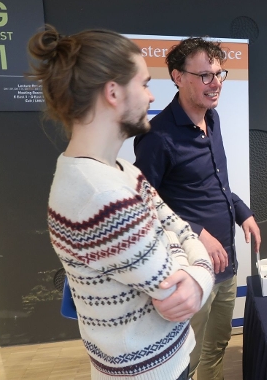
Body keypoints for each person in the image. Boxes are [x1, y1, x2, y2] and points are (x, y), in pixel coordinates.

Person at [35, 25, 215, 379]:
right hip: (149, 371)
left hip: (157, 362)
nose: (150, 97)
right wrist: (199, 272)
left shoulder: (119, 171)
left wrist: (176, 249)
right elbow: (173, 288)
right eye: (145, 83)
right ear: (113, 92)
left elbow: (175, 226)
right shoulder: (103, 195)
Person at [134, 37, 261, 380]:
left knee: (216, 346)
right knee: (186, 356)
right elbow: (144, 208)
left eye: (219, 74)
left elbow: (216, 183)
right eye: (205, 75)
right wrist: (196, 233)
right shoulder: (157, 137)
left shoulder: (213, 119)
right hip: (188, 271)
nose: (216, 83)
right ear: (177, 77)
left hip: (226, 262)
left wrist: (242, 211)